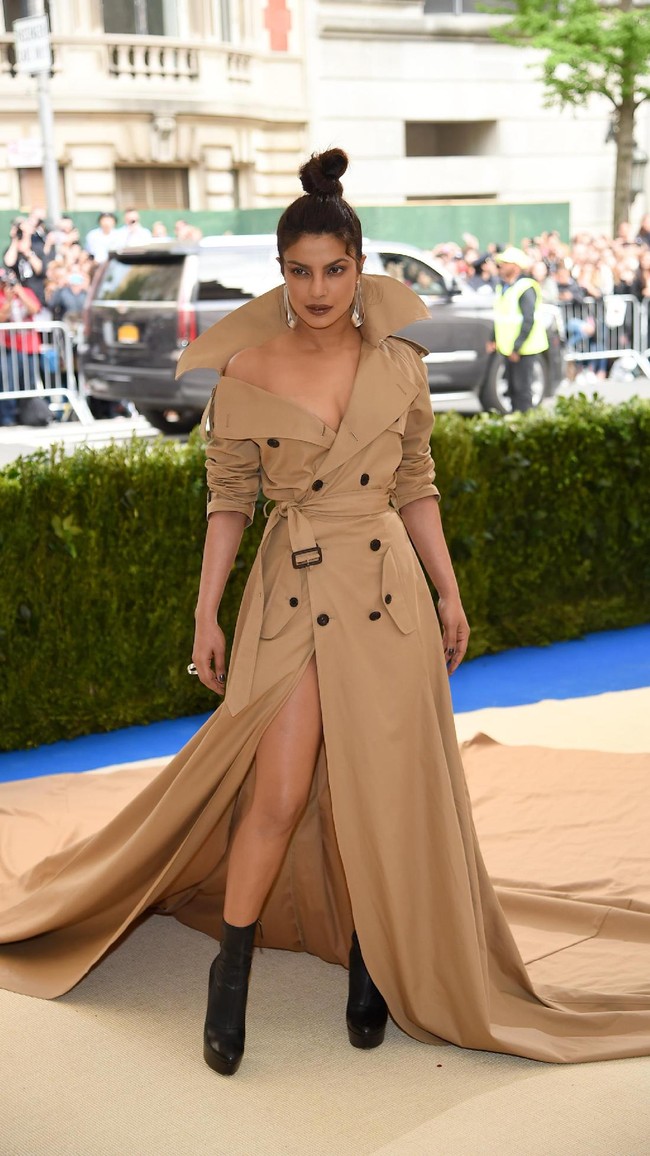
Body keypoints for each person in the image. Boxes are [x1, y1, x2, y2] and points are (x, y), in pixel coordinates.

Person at [3, 151, 650, 1076]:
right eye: (300, 271)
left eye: (335, 269)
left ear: (360, 268)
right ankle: (229, 980)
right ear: (281, 273)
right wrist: (205, 613)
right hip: (294, 590)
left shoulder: (399, 364)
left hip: (386, 589)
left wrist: (450, 586)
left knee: (377, 792)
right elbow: (229, 499)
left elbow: (416, 484)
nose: (318, 288)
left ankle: (371, 966)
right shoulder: (246, 368)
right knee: (277, 791)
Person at [487, 246, 549, 412]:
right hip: (509, 349)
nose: (500, 266)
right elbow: (500, 316)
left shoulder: (525, 287)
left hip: (524, 349)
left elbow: (528, 320)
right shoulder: (505, 287)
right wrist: (493, 339)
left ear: (515, 266)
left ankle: (525, 426)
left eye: (504, 263)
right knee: (513, 389)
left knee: (523, 391)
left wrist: (517, 347)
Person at [0, 268, 43, 425]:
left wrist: (20, 292)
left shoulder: (26, 291)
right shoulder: (2, 295)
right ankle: (8, 417)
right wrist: (10, 300)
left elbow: (35, 309)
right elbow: (2, 317)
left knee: (29, 383)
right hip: (10, 347)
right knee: (8, 383)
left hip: (29, 346)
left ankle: (27, 415)